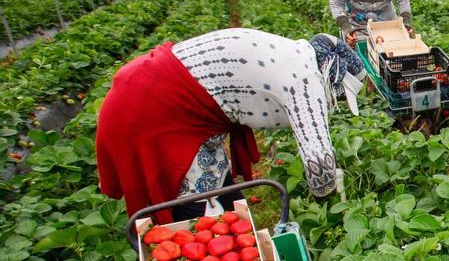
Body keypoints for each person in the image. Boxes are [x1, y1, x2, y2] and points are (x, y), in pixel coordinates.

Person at [96, 29, 365, 222]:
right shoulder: (306, 81)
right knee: (198, 201)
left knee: (222, 186)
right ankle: (204, 256)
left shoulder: (297, 53)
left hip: (152, 86)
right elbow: (320, 167)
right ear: (332, 77)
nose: (336, 101)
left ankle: (233, 234)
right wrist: (337, 209)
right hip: (152, 107)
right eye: (340, 95)